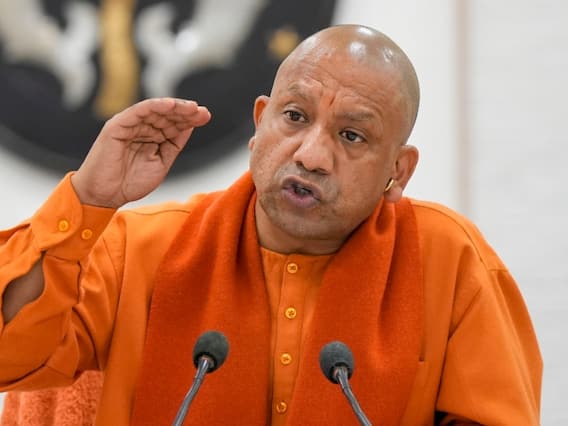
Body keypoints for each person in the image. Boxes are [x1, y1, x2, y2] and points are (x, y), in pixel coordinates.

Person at [0, 24, 541, 425]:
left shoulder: (448, 260)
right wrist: (88, 198)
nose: (310, 155)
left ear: (398, 172)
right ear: (260, 123)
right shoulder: (141, 248)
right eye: (295, 117)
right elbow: (10, 355)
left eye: (352, 136)